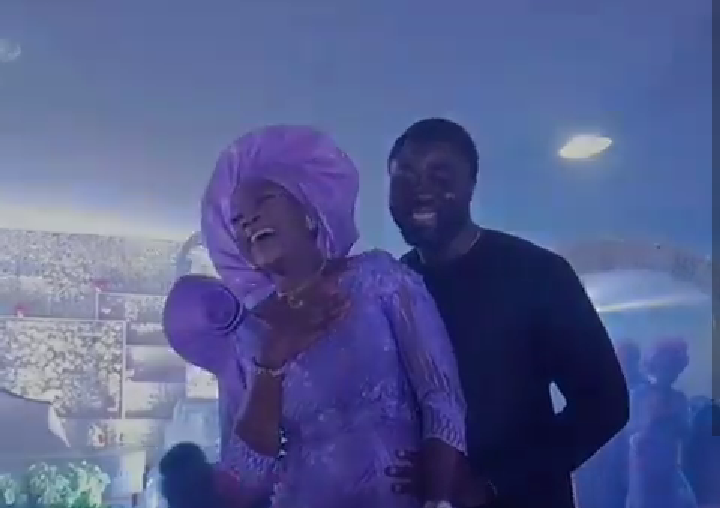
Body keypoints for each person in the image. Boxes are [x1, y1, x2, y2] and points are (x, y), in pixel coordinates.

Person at [163, 125, 467, 508]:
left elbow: (441, 393)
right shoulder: (247, 337)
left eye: (264, 201)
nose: (248, 222)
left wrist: (438, 496)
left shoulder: (379, 278)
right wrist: (272, 362)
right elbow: (245, 477)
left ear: (309, 213)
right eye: (237, 222)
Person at [384, 118, 630, 507]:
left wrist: (491, 483)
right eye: (405, 177)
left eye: (439, 175)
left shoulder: (537, 274)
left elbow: (605, 404)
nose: (421, 191)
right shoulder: (392, 286)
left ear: (470, 186)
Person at [627, 338, 696, 508]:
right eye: (665, 368)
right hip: (642, 466)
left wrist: (674, 420)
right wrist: (652, 421)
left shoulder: (679, 398)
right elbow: (629, 432)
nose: (669, 374)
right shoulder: (638, 395)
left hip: (669, 466)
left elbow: (686, 434)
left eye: (673, 369)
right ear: (654, 366)